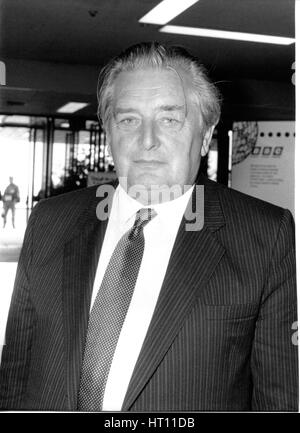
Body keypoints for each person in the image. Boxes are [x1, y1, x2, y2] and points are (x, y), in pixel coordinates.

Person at [0, 42, 297, 411]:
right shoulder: (49, 221)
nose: (147, 140)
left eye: (169, 119)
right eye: (128, 120)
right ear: (108, 131)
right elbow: (14, 374)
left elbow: (280, 399)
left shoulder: (266, 237)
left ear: (205, 135)